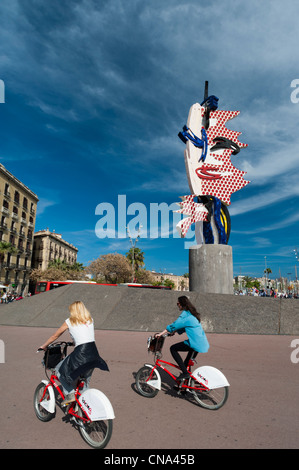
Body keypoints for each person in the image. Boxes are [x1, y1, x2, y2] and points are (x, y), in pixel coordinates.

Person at [38, 300, 109, 405]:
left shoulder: (69, 321)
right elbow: (85, 336)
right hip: (93, 353)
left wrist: (43, 346)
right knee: (84, 382)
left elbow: (55, 336)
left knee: (59, 371)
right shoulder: (90, 319)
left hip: (81, 353)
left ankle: (70, 393)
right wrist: (73, 342)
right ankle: (85, 409)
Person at [156, 296, 209, 380]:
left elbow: (174, 325)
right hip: (201, 343)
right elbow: (185, 327)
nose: (177, 305)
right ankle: (184, 388)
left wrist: (160, 334)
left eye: (178, 303)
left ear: (181, 304)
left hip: (195, 343)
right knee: (186, 364)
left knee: (173, 348)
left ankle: (185, 374)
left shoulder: (185, 316)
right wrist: (175, 332)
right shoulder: (191, 315)